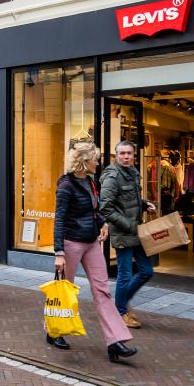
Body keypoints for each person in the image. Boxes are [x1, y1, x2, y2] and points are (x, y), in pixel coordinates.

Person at [50, 142, 138, 362]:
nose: (98, 163)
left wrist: (103, 223)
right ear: (83, 161)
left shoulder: (90, 182)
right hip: (71, 244)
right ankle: (54, 331)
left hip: (91, 243)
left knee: (103, 291)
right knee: (65, 291)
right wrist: (58, 252)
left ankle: (115, 342)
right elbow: (59, 219)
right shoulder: (66, 185)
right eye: (95, 159)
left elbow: (95, 210)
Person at [99, 140, 156, 328]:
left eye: (129, 153)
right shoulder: (112, 177)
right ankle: (120, 311)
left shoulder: (132, 173)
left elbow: (130, 199)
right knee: (124, 274)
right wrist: (128, 225)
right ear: (116, 155)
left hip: (136, 230)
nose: (126, 157)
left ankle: (121, 303)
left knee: (146, 271)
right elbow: (105, 208)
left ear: (133, 155)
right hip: (123, 233)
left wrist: (144, 203)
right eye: (122, 153)